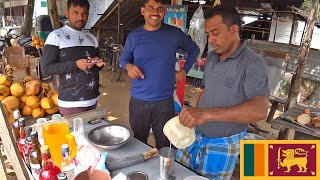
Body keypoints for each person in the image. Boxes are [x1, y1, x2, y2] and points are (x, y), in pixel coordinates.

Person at [176, 5, 269, 180]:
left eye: (215, 33)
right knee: (181, 175)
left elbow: (260, 110)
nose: (210, 39)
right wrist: (194, 116)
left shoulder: (252, 63)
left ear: (233, 30)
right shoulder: (211, 57)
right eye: (208, 34)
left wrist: (205, 114)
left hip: (223, 144)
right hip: (195, 136)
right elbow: (206, 90)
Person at [120, 0, 200, 150]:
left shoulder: (174, 34)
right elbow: (124, 58)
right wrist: (129, 66)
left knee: (165, 143)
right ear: (143, 11)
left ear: (164, 12)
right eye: (151, 8)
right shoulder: (134, 36)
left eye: (160, 9)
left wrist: (184, 71)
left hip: (165, 102)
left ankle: (163, 171)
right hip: (139, 101)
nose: (155, 12)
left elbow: (194, 50)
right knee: (138, 141)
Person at [41, 0, 105, 117]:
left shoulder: (91, 38)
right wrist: (75, 64)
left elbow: (94, 66)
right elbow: (46, 68)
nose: (80, 17)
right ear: (67, 13)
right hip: (71, 103)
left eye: (84, 13)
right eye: (75, 13)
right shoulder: (56, 36)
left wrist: (98, 64)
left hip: (93, 99)